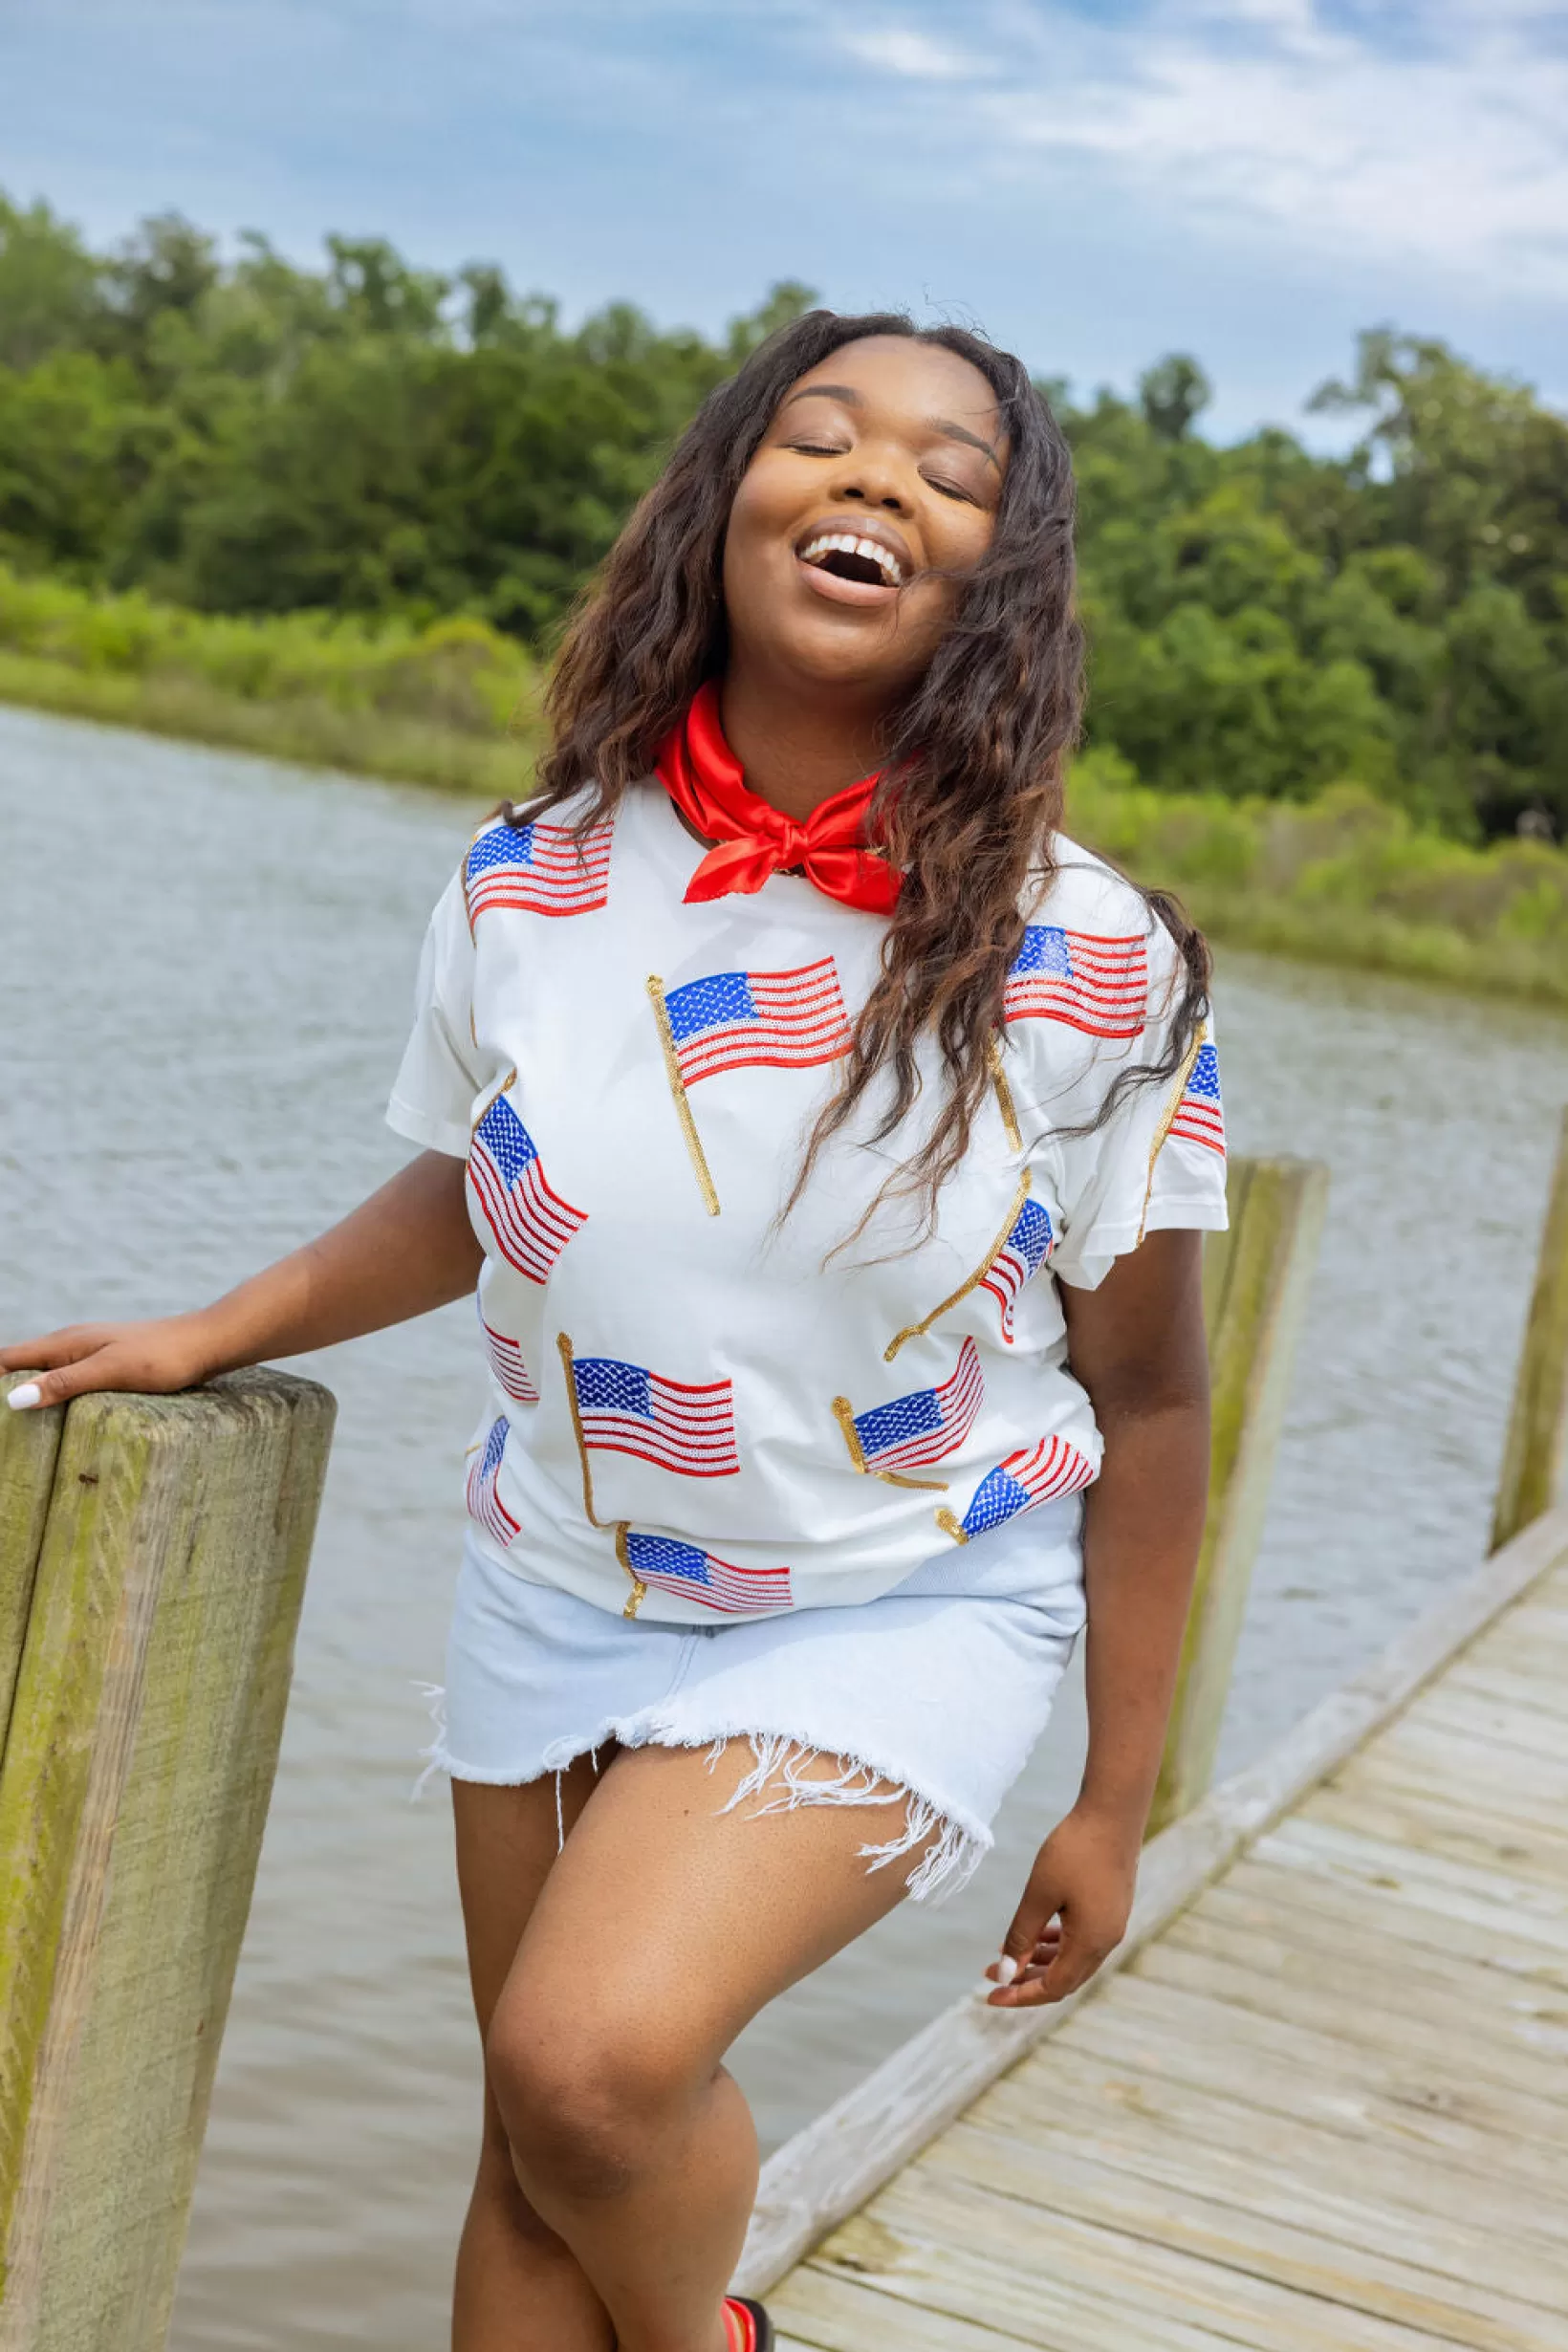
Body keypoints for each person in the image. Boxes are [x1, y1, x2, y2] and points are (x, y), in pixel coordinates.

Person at [3, 312, 1227, 2352]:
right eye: (820, 439)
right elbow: (479, 1191)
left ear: (1000, 575)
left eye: (945, 470)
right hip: (562, 1570)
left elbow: (1155, 1386)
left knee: (588, 2067)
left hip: (894, 1596)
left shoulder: (1086, 954)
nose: (872, 482)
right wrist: (225, 1322)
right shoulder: (531, 874)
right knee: (525, 2158)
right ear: (725, 499)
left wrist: (1116, 1794)